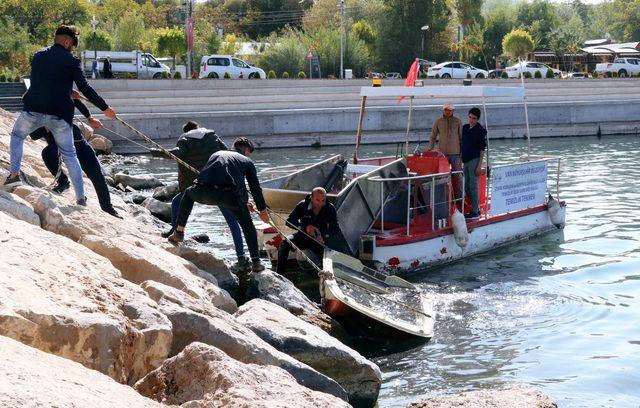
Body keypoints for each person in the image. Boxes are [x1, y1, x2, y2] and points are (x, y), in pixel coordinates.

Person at [3, 25, 116, 206]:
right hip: (60, 117)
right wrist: (105, 108)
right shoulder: (71, 61)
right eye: (73, 45)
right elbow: (85, 87)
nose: (72, 49)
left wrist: (67, 90)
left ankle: (14, 175)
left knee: (17, 136)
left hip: (34, 111)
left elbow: (43, 81)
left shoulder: (39, 56)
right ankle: (80, 198)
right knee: (70, 155)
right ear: (66, 42)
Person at [153, 121, 250, 270]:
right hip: (221, 185)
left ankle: (176, 231)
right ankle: (241, 257)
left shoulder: (185, 140)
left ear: (185, 131)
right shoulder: (213, 137)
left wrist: (157, 152)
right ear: (198, 127)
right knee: (232, 222)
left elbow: (176, 153)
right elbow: (227, 153)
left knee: (176, 202)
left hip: (197, 187)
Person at [168, 137, 269, 273]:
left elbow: (216, 175)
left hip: (203, 192)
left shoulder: (217, 154)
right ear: (245, 150)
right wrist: (262, 211)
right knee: (247, 225)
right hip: (229, 196)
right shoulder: (246, 161)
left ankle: (179, 232)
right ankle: (256, 262)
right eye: (248, 152)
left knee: (187, 194)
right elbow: (255, 188)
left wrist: (244, 201)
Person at [30, 95, 122, 218]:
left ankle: (107, 208)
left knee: (97, 174)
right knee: (47, 153)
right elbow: (33, 135)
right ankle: (63, 182)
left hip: (78, 142)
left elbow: (77, 102)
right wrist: (47, 126)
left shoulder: (60, 96)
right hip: (57, 146)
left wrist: (89, 118)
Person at [276, 187, 337, 275]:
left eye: (323, 200)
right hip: (303, 236)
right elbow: (289, 221)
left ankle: (323, 274)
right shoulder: (302, 205)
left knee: (326, 257)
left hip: (319, 241)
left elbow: (334, 229)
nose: (320, 203)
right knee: (285, 242)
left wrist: (324, 237)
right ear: (311, 198)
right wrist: (303, 228)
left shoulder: (330, 208)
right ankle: (280, 274)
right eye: (317, 200)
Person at [428, 102, 463, 201]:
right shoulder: (438, 121)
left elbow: (461, 138)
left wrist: (462, 154)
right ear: (443, 110)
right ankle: (444, 199)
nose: (448, 111)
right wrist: (430, 149)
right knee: (442, 177)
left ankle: (460, 198)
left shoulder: (458, 121)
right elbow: (433, 136)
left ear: (453, 111)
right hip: (442, 154)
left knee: (458, 176)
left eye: (450, 110)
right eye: (446, 110)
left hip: (456, 153)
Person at [461, 107, 487, 219]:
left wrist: (479, 166)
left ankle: (475, 211)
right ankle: (476, 207)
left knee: (473, 186)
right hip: (465, 159)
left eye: (474, 118)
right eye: (470, 117)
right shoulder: (465, 128)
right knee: (466, 186)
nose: (471, 120)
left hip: (474, 160)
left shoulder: (480, 131)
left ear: (478, 119)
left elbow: (482, 149)